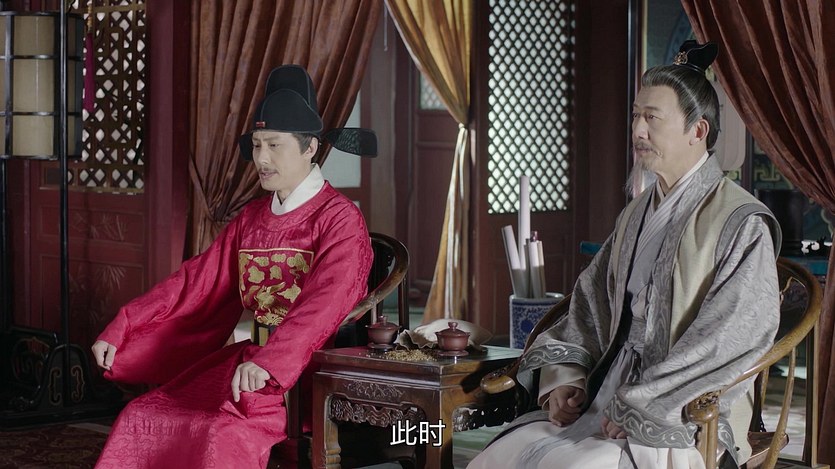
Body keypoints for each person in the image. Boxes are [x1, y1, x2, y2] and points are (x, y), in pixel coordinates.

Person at [469, 41, 782, 469]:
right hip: (609, 386)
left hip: (686, 406)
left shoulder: (740, 221)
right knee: (499, 455)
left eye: (652, 118)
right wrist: (567, 378)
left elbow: (730, 337)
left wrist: (641, 407)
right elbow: (591, 303)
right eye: (636, 116)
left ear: (697, 131)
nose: (637, 131)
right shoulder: (637, 213)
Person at [91, 65, 374, 468]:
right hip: (252, 364)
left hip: (311, 371)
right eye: (256, 145)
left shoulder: (340, 220)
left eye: (274, 145)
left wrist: (271, 363)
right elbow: (195, 283)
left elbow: (324, 305)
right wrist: (125, 325)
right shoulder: (252, 218)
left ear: (310, 148)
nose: (261, 158)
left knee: (220, 433)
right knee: (143, 415)